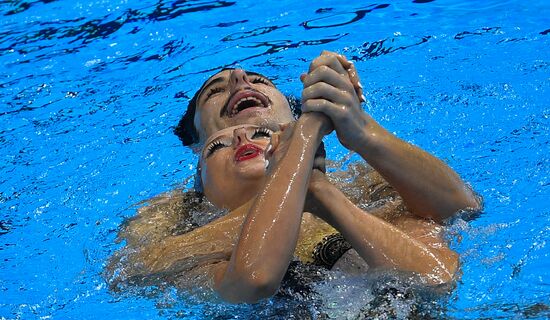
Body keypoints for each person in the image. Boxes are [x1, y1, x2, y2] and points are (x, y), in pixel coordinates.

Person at [107, 51, 481, 303]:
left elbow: (460, 213)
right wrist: (306, 147)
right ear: (197, 154)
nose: (239, 78)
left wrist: (360, 130)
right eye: (215, 92)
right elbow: (132, 269)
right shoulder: (174, 213)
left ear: (290, 110)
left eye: (258, 79)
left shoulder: (363, 181)